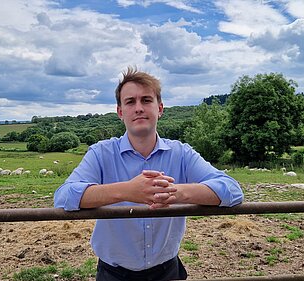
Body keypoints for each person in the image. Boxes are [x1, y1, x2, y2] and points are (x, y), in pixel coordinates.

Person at [54, 66, 244, 281]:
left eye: (146, 100)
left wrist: (177, 193)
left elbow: (232, 190)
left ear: (160, 108)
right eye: (130, 102)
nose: (138, 108)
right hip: (113, 274)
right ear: (120, 112)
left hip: (167, 272)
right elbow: (64, 196)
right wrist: (127, 191)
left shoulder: (181, 153)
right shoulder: (101, 153)